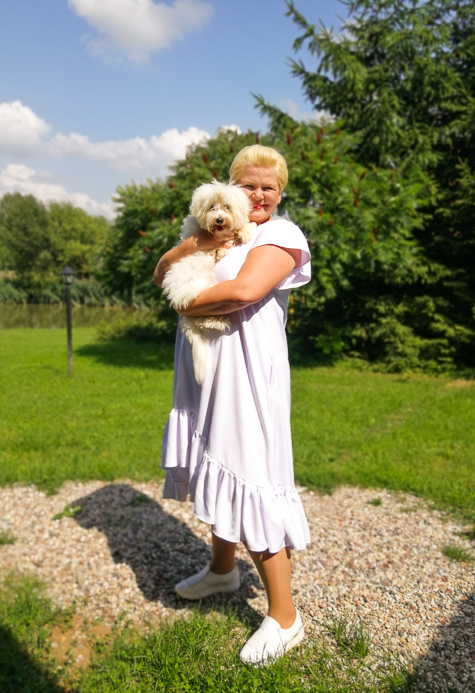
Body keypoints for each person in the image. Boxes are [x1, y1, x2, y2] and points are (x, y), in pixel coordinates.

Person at [153, 144, 311, 666]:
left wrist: (181, 300)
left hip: (247, 372)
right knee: (212, 464)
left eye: (269, 187)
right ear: (231, 187)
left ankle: (285, 618)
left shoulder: (280, 235)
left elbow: (243, 290)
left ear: (280, 193)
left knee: (250, 473)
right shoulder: (212, 230)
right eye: (249, 185)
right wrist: (186, 249)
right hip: (203, 369)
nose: (259, 195)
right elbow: (161, 272)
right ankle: (223, 571)